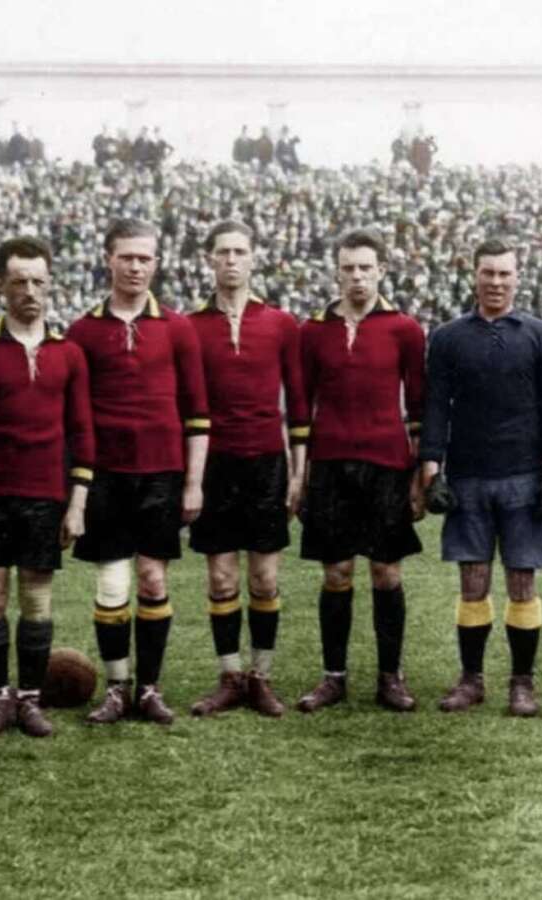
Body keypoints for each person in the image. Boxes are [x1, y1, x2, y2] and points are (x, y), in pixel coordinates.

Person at [0, 236, 95, 738]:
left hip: (45, 493)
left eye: (38, 282)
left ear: (50, 286)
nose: (29, 291)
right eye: (18, 282)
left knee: (36, 599)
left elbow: (81, 431)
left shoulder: (68, 353)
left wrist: (77, 503)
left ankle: (29, 699)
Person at [66, 218, 210, 727]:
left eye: (144, 258)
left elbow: (197, 413)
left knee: (151, 579)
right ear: (108, 259)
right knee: (111, 585)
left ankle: (149, 689)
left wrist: (193, 482)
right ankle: (116, 687)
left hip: (161, 473)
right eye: (126, 257)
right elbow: (72, 415)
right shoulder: (83, 330)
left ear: (157, 262)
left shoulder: (177, 327)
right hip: (106, 474)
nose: (135, 266)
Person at [420, 237, 542, 716]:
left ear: (517, 277)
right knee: (473, 579)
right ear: (475, 275)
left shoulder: (541, 335)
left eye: (505, 273)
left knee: (522, 580)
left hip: (523, 476)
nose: (497, 282)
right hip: (468, 477)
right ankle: (471, 678)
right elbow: (436, 407)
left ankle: (522, 683)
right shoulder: (447, 337)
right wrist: (431, 466)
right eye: (489, 273)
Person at [296, 227, 426, 713]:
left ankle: (390, 677)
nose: (356, 276)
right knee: (336, 572)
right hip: (329, 465)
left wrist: (416, 475)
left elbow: (417, 407)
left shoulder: (404, 329)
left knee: (386, 572)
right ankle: (334, 677)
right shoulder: (311, 331)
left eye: (365, 268)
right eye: (348, 268)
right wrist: (300, 473)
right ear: (337, 271)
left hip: (387, 464)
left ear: (381, 271)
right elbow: (302, 407)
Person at [186, 221, 309, 718]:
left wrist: (300, 472)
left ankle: (261, 675)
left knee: (263, 578)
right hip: (215, 465)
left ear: (254, 259)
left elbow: (298, 405)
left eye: (240, 251)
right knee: (220, 580)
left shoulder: (280, 323)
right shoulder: (189, 325)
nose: (231, 260)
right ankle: (230, 675)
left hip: (267, 464)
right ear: (210, 260)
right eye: (223, 252)